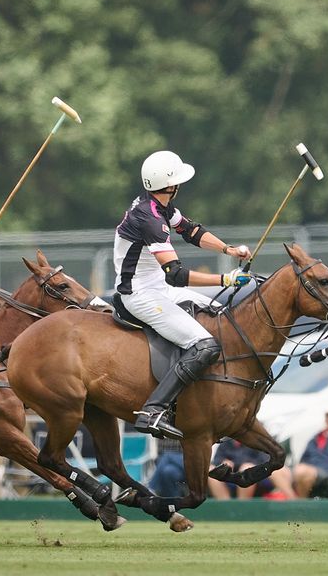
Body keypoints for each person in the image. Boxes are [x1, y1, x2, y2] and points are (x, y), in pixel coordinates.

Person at [113, 150, 253, 440]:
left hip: (158, 289)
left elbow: (191, 231)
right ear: (170, 185)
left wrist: (229, 249)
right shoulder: (148, 217)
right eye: (177, 181)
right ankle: (153, 410)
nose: (180, 186)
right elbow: (175, 274)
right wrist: (226, 278)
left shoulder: (160, 206)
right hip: (139, 294)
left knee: (220, 314)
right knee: (204, 345)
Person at [208, 437, 296, 500]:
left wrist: (235, 464)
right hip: (230, 476)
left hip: (255, 476)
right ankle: (226, 506)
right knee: (211, 471)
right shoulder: (226, 442)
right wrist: (224, 463)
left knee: (246, 467)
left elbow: (264, 460)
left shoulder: (256, 440)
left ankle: (242, 506)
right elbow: (217, 460)